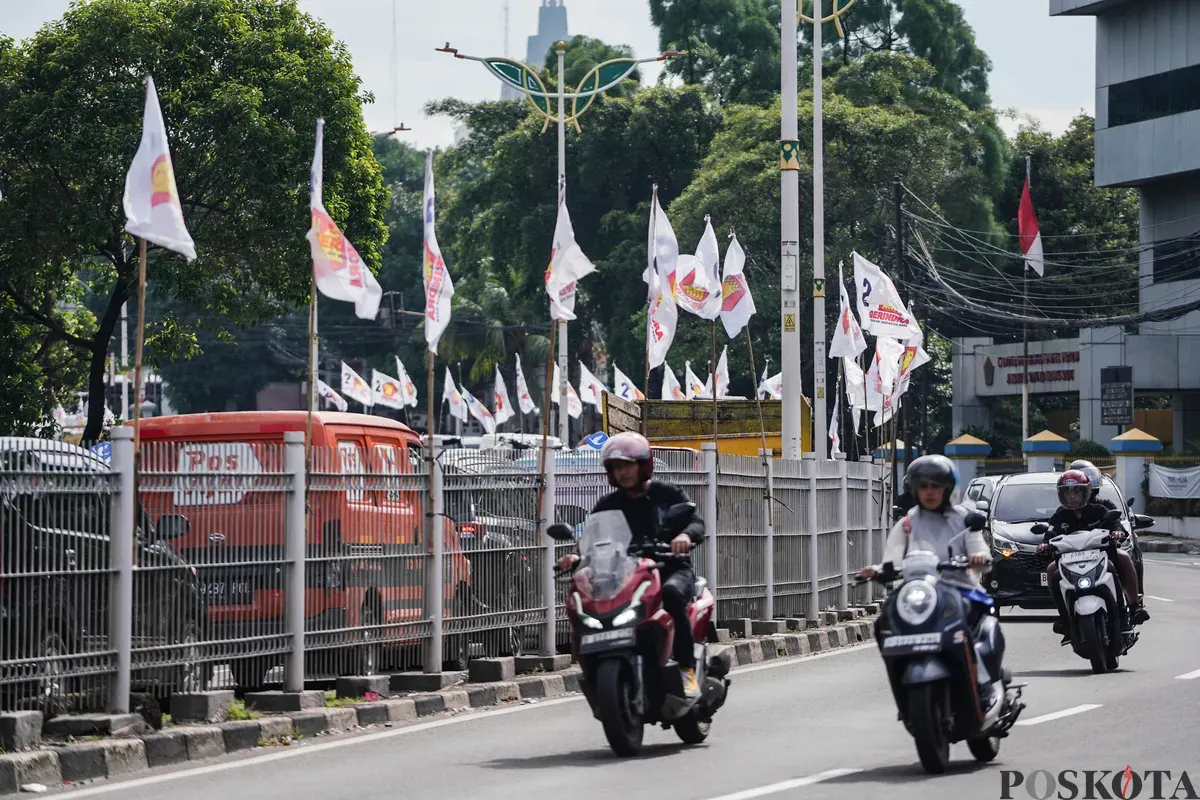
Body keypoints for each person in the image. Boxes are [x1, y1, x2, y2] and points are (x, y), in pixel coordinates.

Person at [556, 432, 706, 698]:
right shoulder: (608, 505)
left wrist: (684, 536)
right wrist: (576, 556)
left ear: (643, 465)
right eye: (616, 467)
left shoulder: (665, 494)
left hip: (669, 567)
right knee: (594, 603)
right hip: (628, 574)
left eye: (627, 465)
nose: (622, 472)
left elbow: (695, 521)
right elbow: (592, 538)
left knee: (671, 595)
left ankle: (686, 669)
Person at [858, 455, 1008, 703]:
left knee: (973, 620)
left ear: (947, 488)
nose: (929, 492)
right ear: (915, 489)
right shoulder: (906, 524)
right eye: (923, 486)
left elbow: (977, 545)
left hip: (958, 589)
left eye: (935, 486)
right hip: (919, 593)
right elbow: (892, 559)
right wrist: (876, 570)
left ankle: (984, 683)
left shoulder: (963, 519)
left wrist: (979, 558)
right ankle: (902, 688)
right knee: (883, 622)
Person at [1039, 470, 1147, 644]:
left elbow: (1115, 523)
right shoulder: (1060, 515)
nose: (1072, 496)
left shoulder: (1099, 510)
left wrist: (1118, 531)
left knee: (1124, 558)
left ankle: (1132, 608)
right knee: (1052, 570)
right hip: (1070, 562)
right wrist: (1044, 544)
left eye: (1076, 491)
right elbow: (1050, 533)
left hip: (1102, 558)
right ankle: (1065, 619)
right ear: (1062, 494)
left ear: (1086, 492)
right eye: (1068, 491)